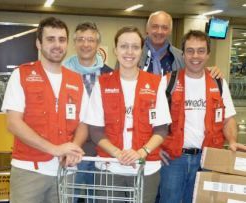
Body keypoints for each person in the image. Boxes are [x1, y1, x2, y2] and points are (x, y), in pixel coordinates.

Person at [1, 17, 89, 203]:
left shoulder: (76, 80)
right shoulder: (22, 75)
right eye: (50, 39)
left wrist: (73, 148)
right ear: (38, 44)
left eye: (62, 39)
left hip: (65, 173)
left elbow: (83, 122)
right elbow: (13, 123)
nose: (57, 45)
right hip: (29, 172)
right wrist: (55, 149)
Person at [84, 26, 171, 203]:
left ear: (141, 50)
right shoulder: (103, 83)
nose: (129, 52)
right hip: (109, 167)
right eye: (124, 46)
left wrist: (142, 152)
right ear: (115, 50)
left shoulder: (155, 83)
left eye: (135, 47)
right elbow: (95, 130)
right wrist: (118, 153)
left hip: (146, 169)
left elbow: (161, 129)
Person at [159, 30, 246, 203]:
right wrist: (156, 147)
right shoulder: (168, 81)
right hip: (174, 160)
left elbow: (228, 119)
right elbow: (155, 119)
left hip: (208, 159)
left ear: (208, 55)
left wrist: (233, 141)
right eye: (190, 51)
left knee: (203, 200)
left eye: (200, 50)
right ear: (183, 54)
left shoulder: (218, 83)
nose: (195, 56)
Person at [63, 22, 112, 203]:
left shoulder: (110, 75)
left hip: (101, 147)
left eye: (90, 40)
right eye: (81, 39)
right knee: (68, 197)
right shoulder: (62, 72)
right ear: (74, 43)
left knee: (99, 198)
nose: (85, 44)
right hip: (70, 146)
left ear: (97, 44)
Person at [140, 10, 221, 78]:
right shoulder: (135, 55)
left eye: (164, 27)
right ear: (147, 28)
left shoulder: (181, 56)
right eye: (155, 26)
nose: (159, 31)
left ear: (170, 31)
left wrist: (211, 71)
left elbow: (195, 71)